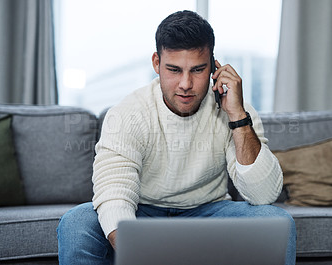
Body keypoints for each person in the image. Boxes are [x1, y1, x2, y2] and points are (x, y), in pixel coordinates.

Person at [57, 10, 296, 265]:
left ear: (214, 67)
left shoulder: (238, 112)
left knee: (277, 221)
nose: (185, 83)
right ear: (156, 63)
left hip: (209, 212)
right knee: (76, 223)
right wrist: (140, 252)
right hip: (141, 213)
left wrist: (237, 116)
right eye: (174, 69)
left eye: (197, 70)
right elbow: (114, 193)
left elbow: (263, 196)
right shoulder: (127, 113)